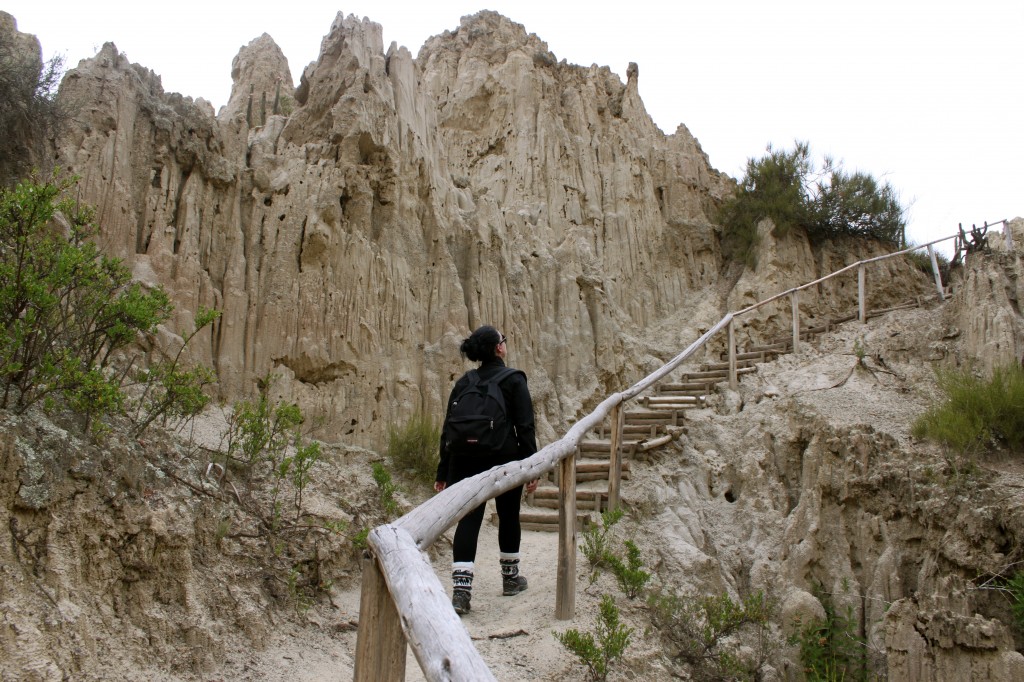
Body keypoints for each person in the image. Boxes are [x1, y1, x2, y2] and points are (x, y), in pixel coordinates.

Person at [435, 325, 539, 615]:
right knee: (508, 516)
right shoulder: (514, 379)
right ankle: (510, 579)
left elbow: (447, 431)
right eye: (503, 340)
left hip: (463, 460)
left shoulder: (464, 382)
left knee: (468, 521)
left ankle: (461, 593)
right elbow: (525, 426)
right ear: (499, 348)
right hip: (504, 458)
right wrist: (531, 467)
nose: (505, 343)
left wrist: (442, 472)